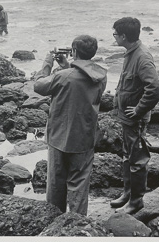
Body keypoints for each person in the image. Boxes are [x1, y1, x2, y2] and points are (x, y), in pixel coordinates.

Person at [34, 35, 107, 215]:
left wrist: (47, 63)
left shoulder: (62, 76)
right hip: (84, 137)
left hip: (59, 136)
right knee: (80, 184)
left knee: (56, 182)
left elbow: (38, 86)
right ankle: (77, 223)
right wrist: (67, 65)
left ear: (74, 51)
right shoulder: (101, 76)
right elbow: (79, 80)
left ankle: (54, 220)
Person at [110, 17, 159, 214]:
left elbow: (156, 89)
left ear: (124, 36)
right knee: (127, 156)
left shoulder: (142, 57)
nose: (114, 37)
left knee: (137, 160)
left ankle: (136, 200)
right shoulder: (130, 53)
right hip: (127, 117)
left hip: (135, 118)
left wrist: (139, 110)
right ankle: (127, 193)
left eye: (115, 34)